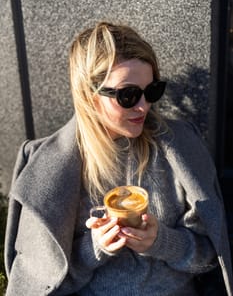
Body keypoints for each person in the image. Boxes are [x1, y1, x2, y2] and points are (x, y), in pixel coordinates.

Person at [4, 22, 233, 295]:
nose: (143, 106)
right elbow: (42, 282)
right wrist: (94, 248)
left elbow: (211, 258)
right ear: (90, 96)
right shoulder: (50, 169)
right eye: (128, 95)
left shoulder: (180, 148)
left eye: (152, 91)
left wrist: (161, 242)